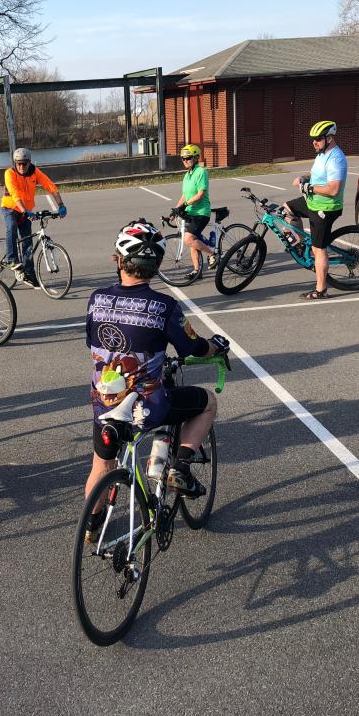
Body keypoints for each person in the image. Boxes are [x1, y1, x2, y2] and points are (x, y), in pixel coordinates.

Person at [84, 220, 229, 538]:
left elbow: (94, 343)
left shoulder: (96, 300)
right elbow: (193, 346)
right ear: (155, 266)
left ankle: (92, 527)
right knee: (206, 403)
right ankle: (180, 466)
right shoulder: (164, 307)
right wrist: (215, 348)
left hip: (105, 402)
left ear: (120, 261)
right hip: (147, 405)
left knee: (102, 463)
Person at [282, 120, 349, 300]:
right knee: (286, 209)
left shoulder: (336, 158)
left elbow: (334, 189)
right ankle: (303, 243)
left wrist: (309, 188)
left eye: (318, 139)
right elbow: (315, 174)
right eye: (312, 139)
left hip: (326, 207)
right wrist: (304, 177)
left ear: (329, 138)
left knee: (319, 249)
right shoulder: (321, 154)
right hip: (312, 202)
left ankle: (321, 290)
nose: (314, 142)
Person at [0, 147, 67, 288]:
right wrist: (24, 210)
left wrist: (60, 205)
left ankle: (29, 275)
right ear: (15, 163)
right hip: (10, 208)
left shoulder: (34, 172)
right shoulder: (9, 173)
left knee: (28, 244)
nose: (22, 166)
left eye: (24, 163)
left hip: (26, 211)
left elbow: (50, 185)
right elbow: (14, 192)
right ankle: (11, 259)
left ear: (29, 162)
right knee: (11, 226)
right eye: (19, 163)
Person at [172, 144, 216, 280]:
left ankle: (212, 255)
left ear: (196, 158)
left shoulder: (201, 172)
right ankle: (197, 271)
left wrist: (185, 205)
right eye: (183, 159)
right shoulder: (187, 175)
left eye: (188, 158)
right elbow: (185, 195)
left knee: (189, 239)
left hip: (201, 212)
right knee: (192, 241)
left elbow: (200, 194)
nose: (185, 161)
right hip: (190, 212)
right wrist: (174, 210)